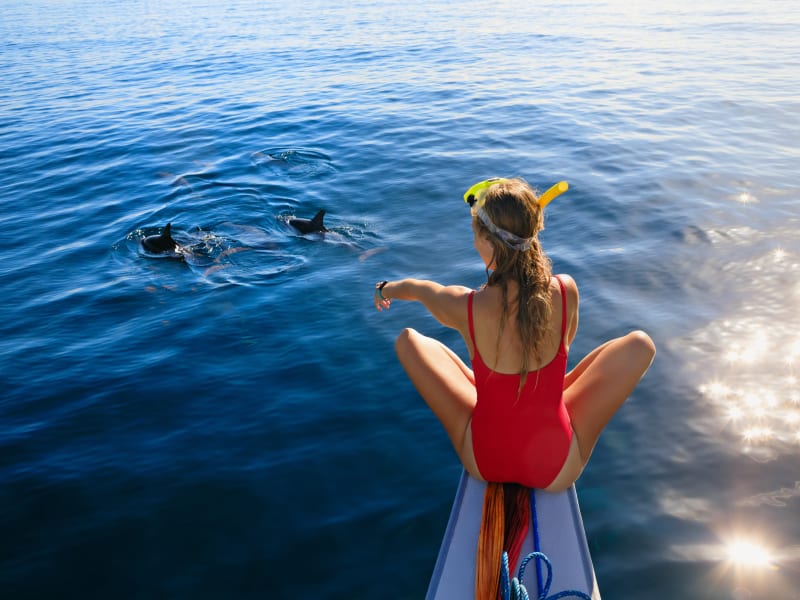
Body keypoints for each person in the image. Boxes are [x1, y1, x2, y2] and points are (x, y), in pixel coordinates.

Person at [373, 177, 655, 492]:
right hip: (556, 469)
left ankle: (493, 386)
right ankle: (538, 395)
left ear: (487, 243)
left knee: (408, 340)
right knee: (641, 345)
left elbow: (421, 290)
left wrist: (385, 288)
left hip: (483, 461)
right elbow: (566, 343)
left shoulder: (464, 305)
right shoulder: (565, 289)